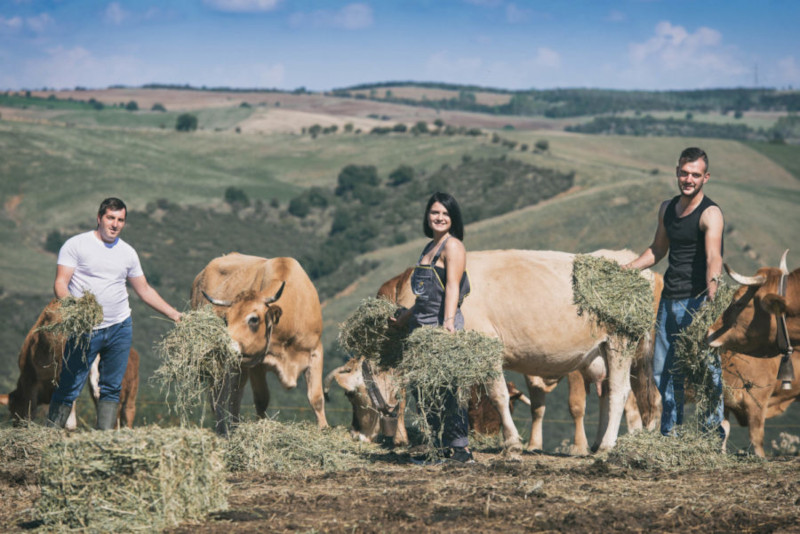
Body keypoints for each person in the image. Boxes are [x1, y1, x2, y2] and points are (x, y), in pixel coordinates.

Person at [47, 197, 182, 430]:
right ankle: (46, 438)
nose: (115, 224)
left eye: (120, 220)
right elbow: (61, 283)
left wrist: (176, 315)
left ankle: (104, 443)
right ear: (99, 218)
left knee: (112, 388)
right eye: (110, 218)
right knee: (70, 385)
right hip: (86, 329)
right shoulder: (76, 245)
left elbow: (145, 290)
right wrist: (74, 307)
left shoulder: (127, 253)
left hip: (120, 327)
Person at [623, 147, 725, 439]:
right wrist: (629, 267)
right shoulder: (667, 208)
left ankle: (710, 437)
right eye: (684, 173)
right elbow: (658, 249)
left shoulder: (711, 214)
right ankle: (671, 435)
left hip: (698, 301)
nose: (688, 179)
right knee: (664, 372)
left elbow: (712, 257)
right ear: (677, 172)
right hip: (668, 301)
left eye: (695, 175)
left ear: (706, 178)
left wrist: (711, 297)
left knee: (706, 373)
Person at [391, 192, 473, 463]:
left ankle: (459, 450)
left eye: (445, 214)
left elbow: (451, 287)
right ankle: (434, 448)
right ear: (428, 216)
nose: (439, 218)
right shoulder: (428, 248)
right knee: (424, 391)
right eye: (435, 213)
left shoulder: (453, 247)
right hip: (421, 328)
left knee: (450, 389)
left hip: (441, 327)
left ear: (453, 219)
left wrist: (448, 324)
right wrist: (405, 317)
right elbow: (425, 295)